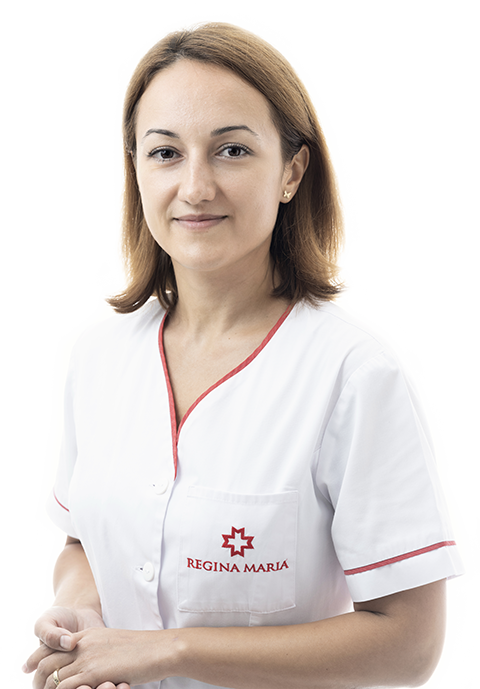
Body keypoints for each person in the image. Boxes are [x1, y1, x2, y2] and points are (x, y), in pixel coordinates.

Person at [23, 21, 463, 689]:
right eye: (165, 153)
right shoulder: (99, 357)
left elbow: (410, 645)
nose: (195, 186)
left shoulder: (353, 375)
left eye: (231, 150)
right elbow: (82, 538)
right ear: (135, 168)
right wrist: (81, 606)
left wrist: (168, 651)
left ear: (291, 171)